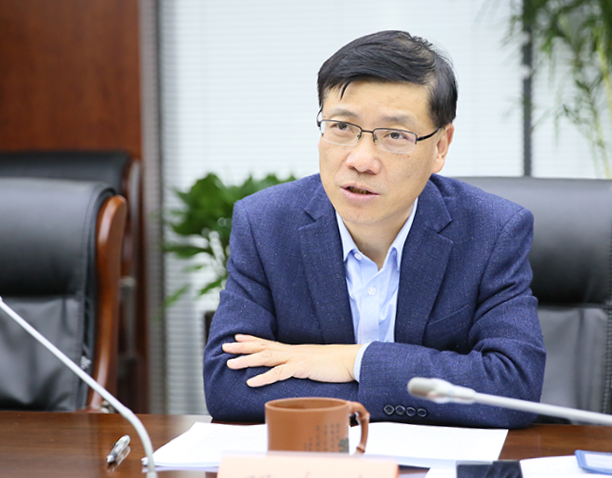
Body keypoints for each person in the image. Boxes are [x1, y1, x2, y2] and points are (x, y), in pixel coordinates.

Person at [203, 30, 546, 428]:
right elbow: (229, 384)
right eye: (341, 127)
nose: (361, 160)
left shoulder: (491, 232)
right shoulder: (266, 225)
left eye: (395, 135)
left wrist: (356, 361)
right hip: (319, 461)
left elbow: (511, 386)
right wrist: (383, 392)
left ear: (440, 147)